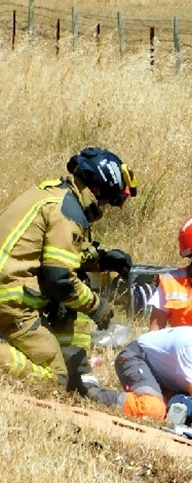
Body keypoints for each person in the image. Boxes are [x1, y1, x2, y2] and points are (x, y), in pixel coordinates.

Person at [0, 147, 134, 390]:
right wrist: (97, 307)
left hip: (10, 290)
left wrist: (101, 259)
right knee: (55, 378)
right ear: (97, 189)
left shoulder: (51, 194)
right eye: (110, 199)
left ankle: (76, 365)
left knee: (79, 281)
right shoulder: (68, 212)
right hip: (11, 302)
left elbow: (52, 255)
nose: (105, 207)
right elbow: (60, 278)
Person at [91, 324, 192, 420]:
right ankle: (92, 392)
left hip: (172, 379)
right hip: (137, 357)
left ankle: (162, 395)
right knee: (152, 409)